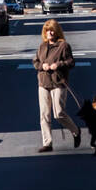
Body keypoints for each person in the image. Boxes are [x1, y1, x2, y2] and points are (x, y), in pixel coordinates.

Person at [33, 18, 81, 152]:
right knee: (44, 115)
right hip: (43, 83)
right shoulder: (42, 46)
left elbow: (71, 62)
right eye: (47, 30)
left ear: (57, 31)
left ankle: (76, 131)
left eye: (52, 30)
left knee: (58, 113)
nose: (50, 33)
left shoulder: (64, 46)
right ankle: (47, 143)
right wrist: (42, 65)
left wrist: (58, 65)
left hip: (58, 82)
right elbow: (35, 62)